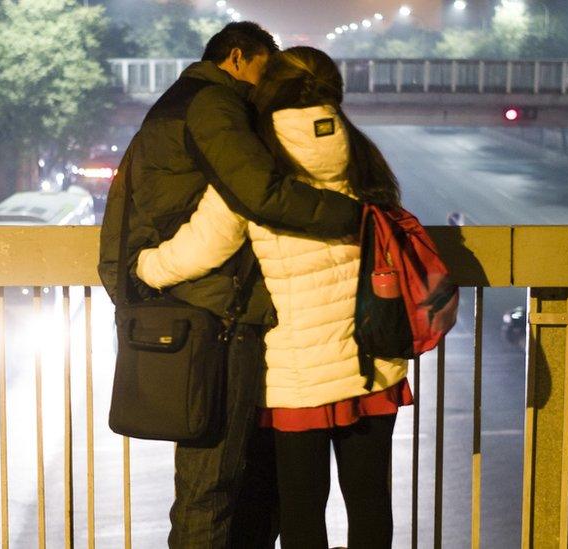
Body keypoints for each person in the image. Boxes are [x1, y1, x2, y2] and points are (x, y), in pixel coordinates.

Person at [97, 24, 362, 548]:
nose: (270, 83)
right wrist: (354, 215)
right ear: (238, 58)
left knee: (239, 484)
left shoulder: (184, 101)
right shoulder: (213, 105)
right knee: (211, 485)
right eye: (267, 67)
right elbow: (258, 194)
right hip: (212, 314)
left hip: (206, 307)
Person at [136, 46, 411, 548]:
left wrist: (143, 265)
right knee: (371, 508)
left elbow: (202, 247)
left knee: (302, 514)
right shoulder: (361, 156)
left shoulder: (257, 166)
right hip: (373, 361)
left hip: (299, 373)